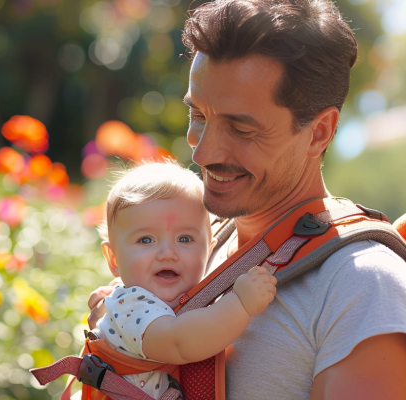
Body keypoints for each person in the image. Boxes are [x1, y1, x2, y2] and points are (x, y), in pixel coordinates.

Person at [88, 0, 406, 399]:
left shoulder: (362, 288)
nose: (202, 153)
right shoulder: (199, 242)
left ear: (319, 132)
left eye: (240, 129)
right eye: (198, 116)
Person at [90, 161, 276, 398]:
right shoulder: (131, 305)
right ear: (114, 259)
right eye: (146, 240)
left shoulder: (175, 299)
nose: (168, 253)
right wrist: (241, 304)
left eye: (185, 239)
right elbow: (180, 342)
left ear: (208, 252)